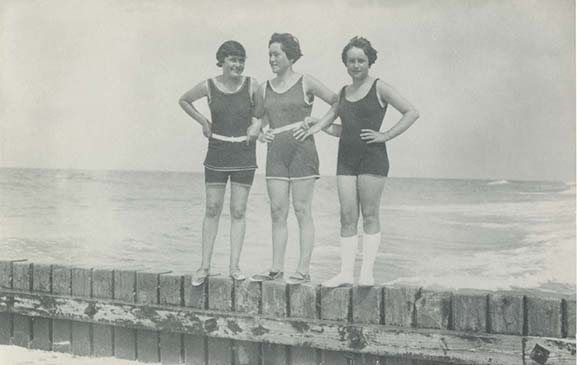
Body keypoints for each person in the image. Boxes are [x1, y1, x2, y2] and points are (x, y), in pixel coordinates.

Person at [295, 36, 419, 287]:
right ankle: (345, 273)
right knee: (347, 216)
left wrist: (384, 135)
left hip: (373, 159)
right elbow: (340, 127)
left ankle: (367, 274)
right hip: (346, 160)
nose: (356, 65)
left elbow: (412, 112)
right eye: (351, 61)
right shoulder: (342, 92)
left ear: (369, 61)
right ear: (346, 64)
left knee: (370, 214)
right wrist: (315, 124)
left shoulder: (380, 87)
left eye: (361, 60)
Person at [250, 33, 338, 285]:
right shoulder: (263, 88)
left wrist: (317, 125)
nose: (272, 59)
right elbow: (258, 121)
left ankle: (303, 269)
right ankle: (276, 268)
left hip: (302, 153)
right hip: (275, 154)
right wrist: (260, 135)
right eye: (269, 55)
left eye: (276, 54)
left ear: (290, 56)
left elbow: (337, 102)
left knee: (302, 210)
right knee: (277, 211)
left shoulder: (306, 81)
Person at [179, 40, 261, 286]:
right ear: (222, 61)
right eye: (232, 59)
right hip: (217, 151)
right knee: (212, 209)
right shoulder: (209, 85)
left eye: (241, 60)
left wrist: (257, 124)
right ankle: (204, 266)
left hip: (244, 154)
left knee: (238, 211)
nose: (237, 64)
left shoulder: (252, 85)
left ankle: (234, 267)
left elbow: (264, 112)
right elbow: (184, 100)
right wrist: (203, 121)